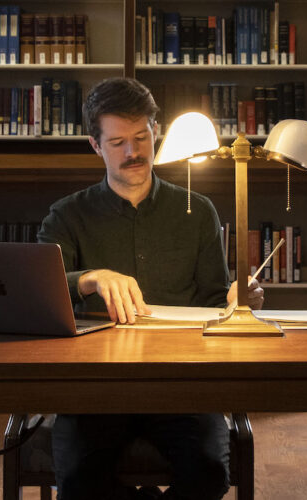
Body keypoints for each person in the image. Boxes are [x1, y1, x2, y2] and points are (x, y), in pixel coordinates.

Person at [38, 77, 263, 500]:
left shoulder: (197, 212)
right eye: (118, 142)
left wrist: (239, 302)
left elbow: (215, 301)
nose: (133, 152)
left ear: (155, 131)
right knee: (77, 480)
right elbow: (40, 294)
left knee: (210, 471)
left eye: (141, 137)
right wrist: (89, 278)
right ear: (95, 145)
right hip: (93, 390)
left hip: (182, 383)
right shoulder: (67, 216)